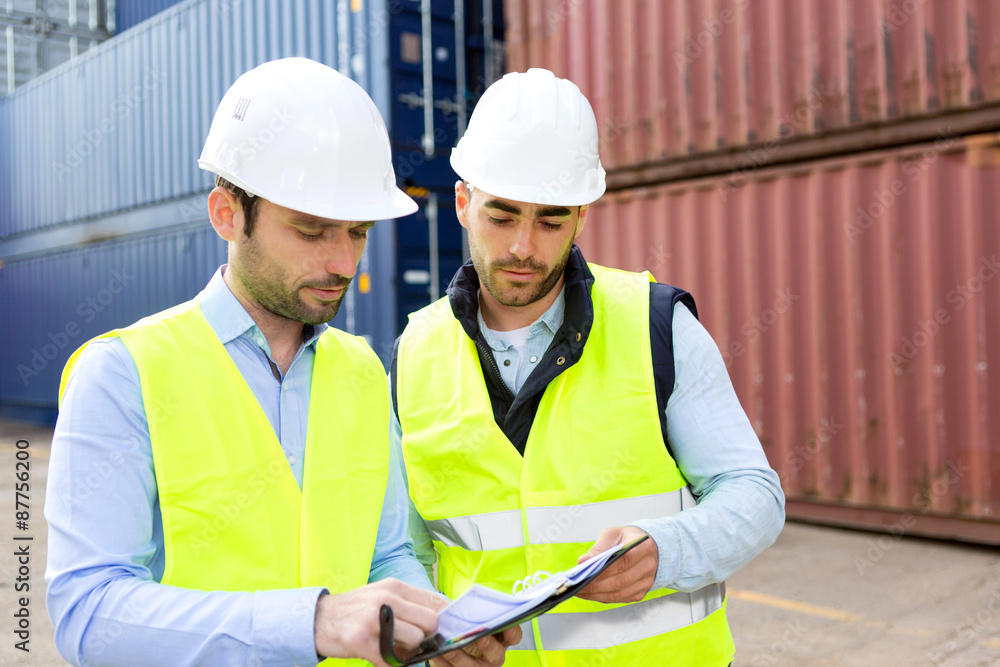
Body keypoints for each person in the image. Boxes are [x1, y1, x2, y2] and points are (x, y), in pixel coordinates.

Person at [44, 57, 518, 667]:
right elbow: (89, 616)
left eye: (357, 232)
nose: (345, 263)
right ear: (227, 215)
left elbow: (389, 554)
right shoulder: (122, 373)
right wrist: (312, 622)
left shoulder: (362, 371)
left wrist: (437, 629)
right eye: (312, 231)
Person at [390, 68, 785, 665]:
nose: (524, 246)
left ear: (581, 218)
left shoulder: (657, 327)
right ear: (464, 205)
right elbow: (412, 546)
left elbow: (755, 495)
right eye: (503, 216)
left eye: (550, 220)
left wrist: (667, 551)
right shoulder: (413, 352)